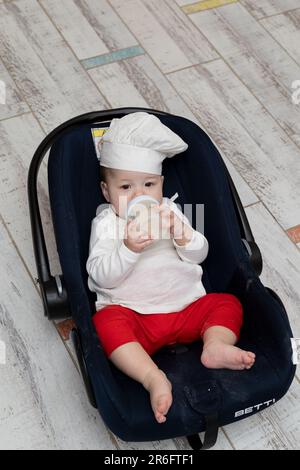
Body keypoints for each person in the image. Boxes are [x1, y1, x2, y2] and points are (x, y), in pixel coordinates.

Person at [87, 112, 255, 424]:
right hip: (135, 316)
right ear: (106, 192)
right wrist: (127, 249)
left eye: (148, 184)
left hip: (187, 308)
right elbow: (99, 275)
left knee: (225, 303)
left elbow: (199, 255)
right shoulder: (107, 223)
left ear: (161, 185)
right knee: (105, 324)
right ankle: (153, 377)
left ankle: (215, 345)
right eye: (125, 187)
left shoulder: (172, 210)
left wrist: (184, 236)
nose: (139, 195)